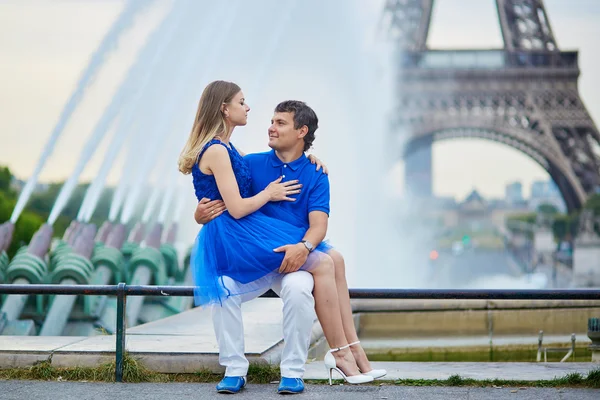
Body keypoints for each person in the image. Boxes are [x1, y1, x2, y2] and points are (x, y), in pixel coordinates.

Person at [178, 81, 374, 394]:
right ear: (224, 108)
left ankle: (300, 368)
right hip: (251, 247)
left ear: (301, 132)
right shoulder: (245, 159)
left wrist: (312, 165)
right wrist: (200, 214)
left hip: (276, 249)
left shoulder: (307, 169)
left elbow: (317, 226)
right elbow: (225, 199)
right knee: (226, 289)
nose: (267, 124)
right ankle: (237, 368)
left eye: (279, 122)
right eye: (243, 103)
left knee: (307, 281)